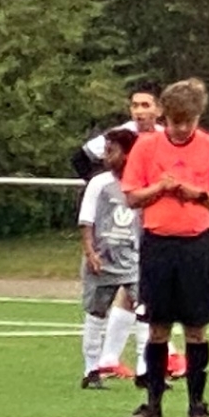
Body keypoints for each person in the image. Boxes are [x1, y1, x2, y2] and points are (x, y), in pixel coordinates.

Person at [118, 78, 209, 417]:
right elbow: (132, 196)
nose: (182, 128)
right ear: (164, 117)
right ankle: (153, 402)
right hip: (158, 243)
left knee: (197, 327)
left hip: (196, 245)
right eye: (175, 121)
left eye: (189, 121)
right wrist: (160, 187)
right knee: (157, 326)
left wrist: (196, 194)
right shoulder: (146, 147)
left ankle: (197, 403)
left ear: (198, 117)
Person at [76, 128, 141, 389]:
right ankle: (91, 369)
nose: (105, 156)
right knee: (96, 313)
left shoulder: (141, 184)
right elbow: (86, 220)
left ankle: (146, 370)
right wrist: (90, 252)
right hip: (103, 260)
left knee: (145, 310)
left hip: (132, 260)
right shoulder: (100, 183)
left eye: (111, 151)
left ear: (128, 155)